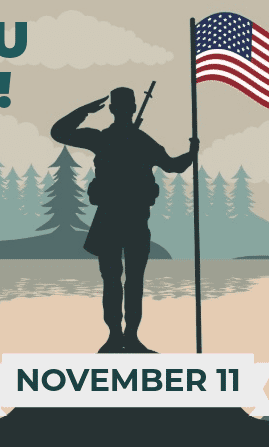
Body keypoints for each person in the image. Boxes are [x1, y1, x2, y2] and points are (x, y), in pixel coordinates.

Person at [51, 87, 198, 353]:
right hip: (131, 221)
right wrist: (192, 152)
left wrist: (84, 111)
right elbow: (174, 166)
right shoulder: (142, 141)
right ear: (131, 108)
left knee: (114, 280)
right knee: (131, 282)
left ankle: (119, 337)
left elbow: (59, 131)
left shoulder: (103, 139)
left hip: (116, 220)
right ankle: (125, 337)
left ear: (112, 108)